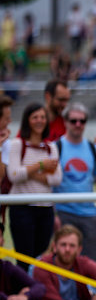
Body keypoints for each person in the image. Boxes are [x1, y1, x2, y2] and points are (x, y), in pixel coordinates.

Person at [6, 103, 63, 264]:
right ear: (27, 120)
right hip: (22, 208)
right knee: (24, 259)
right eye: (35, 117)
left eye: (43, 117)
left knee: (40, 258)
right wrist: (41, 166)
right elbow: (14, 175)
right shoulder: (17, 144)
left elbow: (57, 179)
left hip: (46, 208)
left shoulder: (51, 147)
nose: (39, 121)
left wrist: (29, 172)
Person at [52, 102, 96, 261]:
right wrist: (53, 215)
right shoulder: (56, 148)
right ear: (65, 122)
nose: (78, 124)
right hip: (63, 213)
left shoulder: (94, 149)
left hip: (89, 215)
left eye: (82, 121)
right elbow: (48, 185)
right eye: (73, 121)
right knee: (62, 261)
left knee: (91, 263)